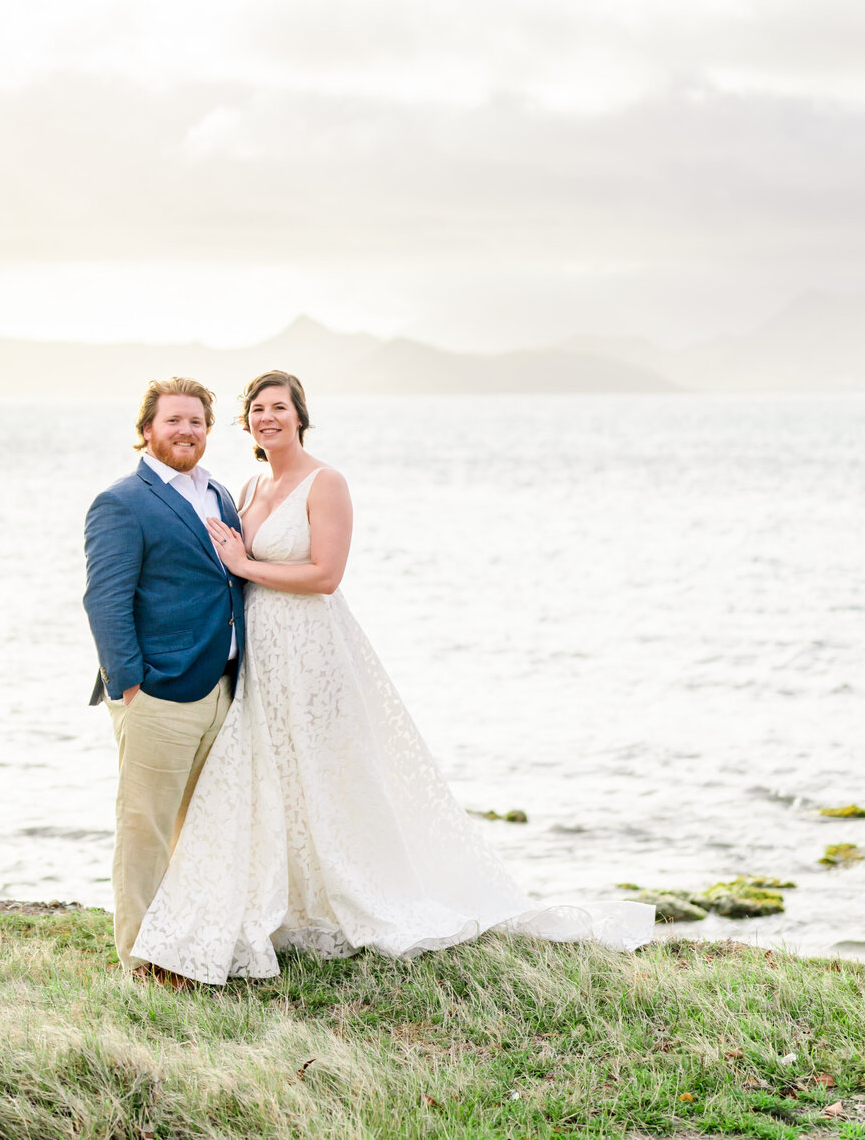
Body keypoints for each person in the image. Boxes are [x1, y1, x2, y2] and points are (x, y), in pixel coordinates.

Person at [130, 369, 655, 983]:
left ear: (300, 415)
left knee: (328, 773)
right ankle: (285, 903)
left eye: (280, 407)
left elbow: (326, 575)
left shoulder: (326, 482)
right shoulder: (246, 485)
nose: (268, 417)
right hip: (261, 652)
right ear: (246, 424)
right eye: (258, 409)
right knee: (271, 773)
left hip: (312, 646)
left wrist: (246, 562)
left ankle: (358, 895)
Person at [82, 376, 245, 972]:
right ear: (147, 429)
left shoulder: (221, 495)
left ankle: (186, 946)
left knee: (202, 827)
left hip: (221, 688)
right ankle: (139, 960)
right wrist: (130, 683)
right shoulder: (122, 502)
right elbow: (105, 599)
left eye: (197, 421)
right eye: (174, 420)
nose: (187, 430)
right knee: (144, 828)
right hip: (157, 693)